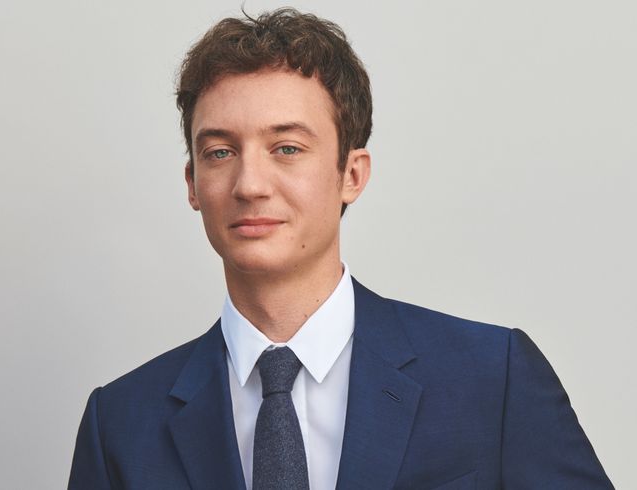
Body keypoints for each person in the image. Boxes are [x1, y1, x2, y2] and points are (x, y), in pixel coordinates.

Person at [68, 8, 613, 489]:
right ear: (191, 184)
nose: (249, 183)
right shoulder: (119, 424)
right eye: (219, 152)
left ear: (351, 174)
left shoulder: (492, 379)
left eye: (286, 148)